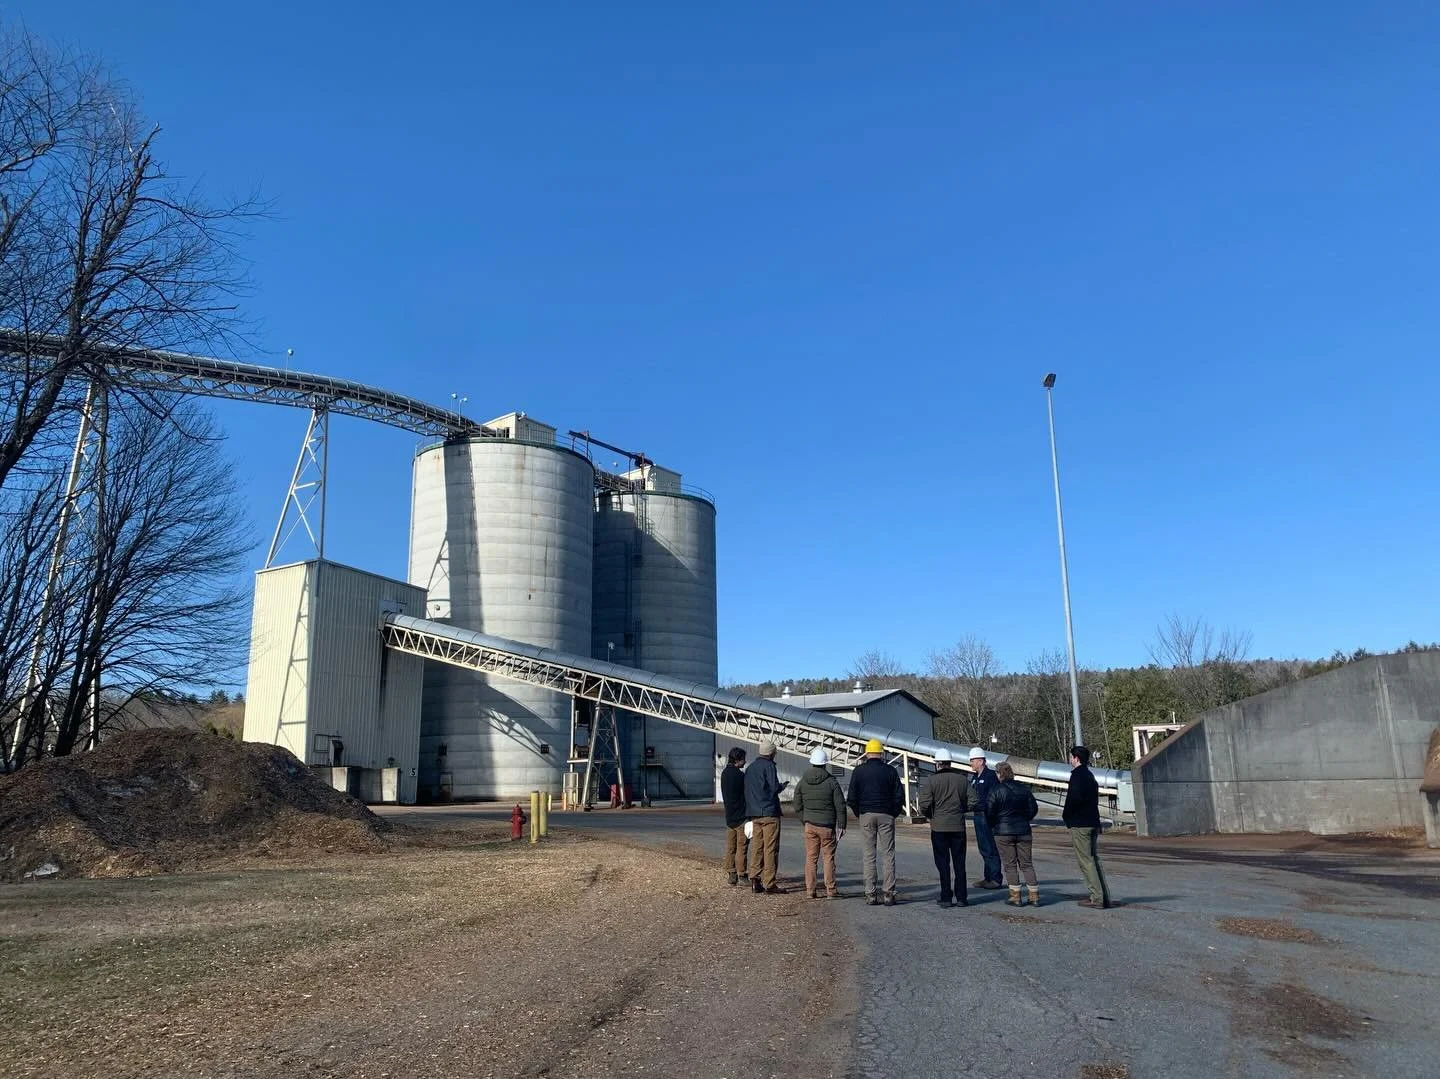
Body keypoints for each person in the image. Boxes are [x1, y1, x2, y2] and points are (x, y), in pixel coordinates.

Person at [846, 738, 904, 906]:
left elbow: (852, 797)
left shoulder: (859, 771)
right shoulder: (890, 771)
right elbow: (899, 795)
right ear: (881, 753)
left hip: (866, 814)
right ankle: (888, 893)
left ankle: (871, 893)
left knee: (869, 855)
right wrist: (893, 813)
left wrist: (860, 813)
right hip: (886, 814)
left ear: (866, 753)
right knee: (888, 854)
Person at [918, 747, 972, 908]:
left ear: (937, 764)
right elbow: (974, 800)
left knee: (943, 863)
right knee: (959, 863)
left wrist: (930, 815)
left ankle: (946, 897)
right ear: (950, 763)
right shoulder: (962, 780)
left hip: (939, 827)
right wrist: (962, 810)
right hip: (958, 827)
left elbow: (924, 804)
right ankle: (962, 897)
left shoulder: (931, 781)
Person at [791, 748, 847, 899]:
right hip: (827, 826)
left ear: (812, 762)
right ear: (825, 764)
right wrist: (842, 825)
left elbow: (797, 804)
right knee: (828, 858)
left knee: (811, 858)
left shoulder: (803, 781)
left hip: (810, 825)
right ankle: (831, 890)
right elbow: (840, 805)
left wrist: (804, 819)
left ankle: (810, 891)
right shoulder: (831, 782)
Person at [1063, 745, 1111, 909]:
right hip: (1092, 821)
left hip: (1080, 823)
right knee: (1094, 859)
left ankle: (1096, 897)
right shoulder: (1090, 775)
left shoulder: (1077, 776)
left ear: (1076, 758)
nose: (1070, 760)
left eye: (1071, 757)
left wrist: (1067, 817)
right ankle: (1104, 896)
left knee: (1086, 861)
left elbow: (1074, 799)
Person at [986, 761, 1040, 906]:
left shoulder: (996, 790)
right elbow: (1033, 808)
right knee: (1027, 864)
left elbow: (989, 811)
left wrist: (995, 824)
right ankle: (1034, 895)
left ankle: (1015, 896)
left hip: (1003, 831)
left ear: (999, 774)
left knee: (1010, 865)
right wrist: (1024, 819)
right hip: (1023, 830)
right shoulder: (1024, 789)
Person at [744, 739, 787, 894]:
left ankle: (755, 879)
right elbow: (774, 788)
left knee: (757, 847)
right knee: (770, 848)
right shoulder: (769, 766)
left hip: (755, 813)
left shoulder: (750, 768)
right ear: (771, 753)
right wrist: (782, 786)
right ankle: (769, 883)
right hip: (769, 812)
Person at [968, 748, 1004, 890]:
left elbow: (994, 798)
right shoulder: (974, 777)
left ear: (980, 761)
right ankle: (988, 877)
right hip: (978, 815)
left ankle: (995, 879)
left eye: (972, 761)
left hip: (986, 816)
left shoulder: (990, 776)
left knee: (990, 848)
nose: (971, 763)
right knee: (983, 848)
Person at [720, 747, 749, 886]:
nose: (745, 761)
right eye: (743, 759)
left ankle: (731, 874)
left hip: (729, 817)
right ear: (738, 760)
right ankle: (742, 874)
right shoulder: (740, 776)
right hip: (741, 817)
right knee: (742, 847)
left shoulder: (724, 773)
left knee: (731, 847)